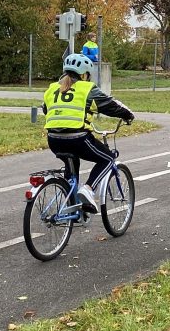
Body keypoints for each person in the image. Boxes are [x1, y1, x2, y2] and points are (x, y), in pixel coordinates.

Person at [42, 53, 135, 213]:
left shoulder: (52, 89)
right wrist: (128, 115)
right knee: (108, 159)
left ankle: (73, 206)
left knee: (72, 164)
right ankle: (88, 189)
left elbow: (46, 109)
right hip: (78, 139)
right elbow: (110, 105)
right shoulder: (87, 89)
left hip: (53, 139)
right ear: (84, 74)